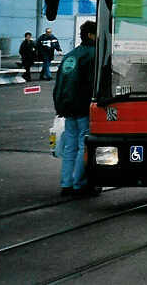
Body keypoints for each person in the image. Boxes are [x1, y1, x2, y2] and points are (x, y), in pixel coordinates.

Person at [52, 20, 96, 197]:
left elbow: (60, 83)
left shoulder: (70, 55)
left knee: (70, 146)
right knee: (82, 145)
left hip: (67, 107)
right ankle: (79, 183)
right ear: (92, 35)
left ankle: (66, 183)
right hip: (83, 107)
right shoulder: (93, 54)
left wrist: (60, 105)